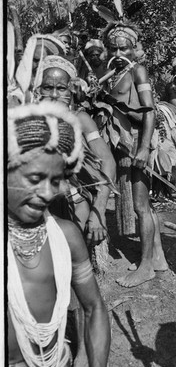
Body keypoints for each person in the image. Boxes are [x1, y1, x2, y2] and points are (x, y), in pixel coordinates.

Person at [7, 102, 110, 367]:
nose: (48, 193)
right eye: (35, 179)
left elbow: (94, 309)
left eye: (56, 181)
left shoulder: (65, 235)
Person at [97, 21, 168, 287]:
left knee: (140, 207)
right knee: (144, 206)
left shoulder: (137, 70)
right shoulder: (112, 73)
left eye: (123, 48)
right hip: (125, 143)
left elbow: (148, 112)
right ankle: (158, 257)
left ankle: (146, 266)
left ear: (133, 47)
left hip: (138, 141)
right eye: (113, 48)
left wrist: (143, 148)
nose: (118, 53)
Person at [33, 55, 116, 245]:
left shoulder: (80, 119)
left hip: (74, 203)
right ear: (38, 89)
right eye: (47, 87)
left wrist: (99, 210)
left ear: (71, 91)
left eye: (61, 88)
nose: (54, 94)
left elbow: (107, 161)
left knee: (74, 266)